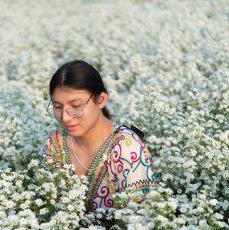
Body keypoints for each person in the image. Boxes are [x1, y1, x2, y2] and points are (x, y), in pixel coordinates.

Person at [42, 60, 159, 212]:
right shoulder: (54, 144)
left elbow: (140, 220)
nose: (65, 117)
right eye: (58, 107)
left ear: (101, 99)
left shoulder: (127, 148)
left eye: (76, 106)